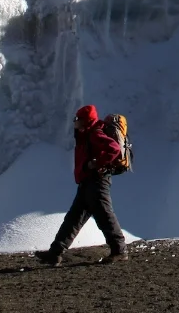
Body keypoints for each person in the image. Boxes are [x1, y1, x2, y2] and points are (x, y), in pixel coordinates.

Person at [35, 104, 127, 265]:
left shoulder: (95, 134)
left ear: (86, 120)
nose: (74, 122)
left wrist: (97, 163)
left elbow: (114, 149)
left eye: (77, 119)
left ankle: (119, 251)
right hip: (88, 182)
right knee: (73, 218)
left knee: (105, 216)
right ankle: (55, 253)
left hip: (97, 182)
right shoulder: (86, 134)